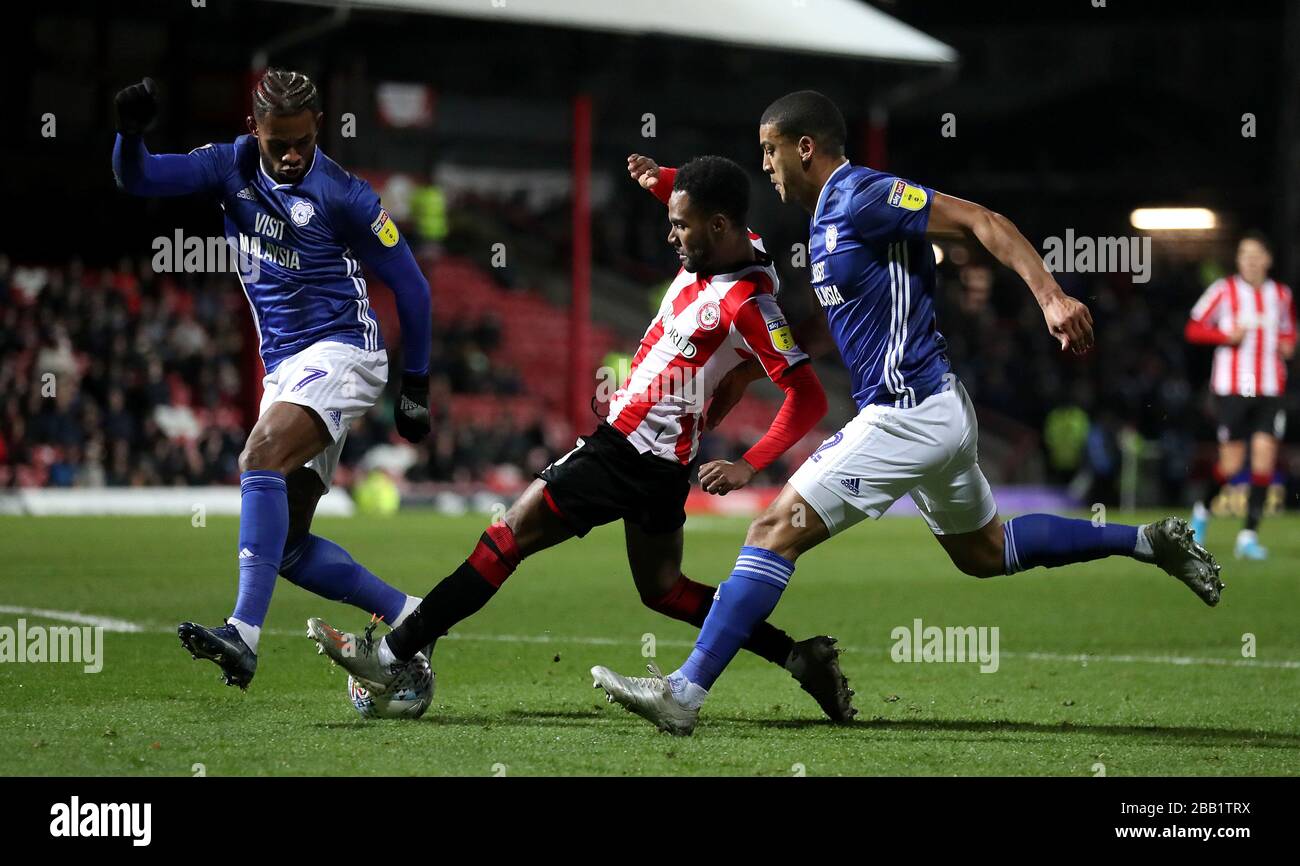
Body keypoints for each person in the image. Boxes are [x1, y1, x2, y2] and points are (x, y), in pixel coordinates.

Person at [589, 90, 1224, 735]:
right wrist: (668, 181)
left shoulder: (863, 195)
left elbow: (982, 221)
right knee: (983, 550)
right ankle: (1148, 541)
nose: (767, 166)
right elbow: (727, 233)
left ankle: (685, 693)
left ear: (803, 147)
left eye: (770, 152)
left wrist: (1051, 296)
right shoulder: (820, 216)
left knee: (772, 528)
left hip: (906, 412)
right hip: (935, 412)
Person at [307, 155, 859, 722]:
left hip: (627, 448)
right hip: (662, 465)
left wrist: (751, 462)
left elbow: (809, 397)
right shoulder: (740, 245)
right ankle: (797, 656)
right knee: (664, 590)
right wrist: (661, 180)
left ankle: (394, 652)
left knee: (506, 536)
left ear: (718, 227)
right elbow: (704, 203)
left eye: (680, 225)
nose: (671, 235)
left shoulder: (747, 303)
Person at [112, 71, 433, 689]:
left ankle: (243, 634)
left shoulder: (346, 195)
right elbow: (139, 176)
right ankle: (409, 614)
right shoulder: (227, 167)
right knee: (286, 546)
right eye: (277, 142)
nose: (291, 155)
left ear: (318, 129)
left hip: (345, 351)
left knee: (258, 453)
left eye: (303, 142)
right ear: (253, 129)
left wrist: (415, 386)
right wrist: (129, 134)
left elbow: (412, 287)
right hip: (288, 369)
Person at [1185, 233, 1295, 559]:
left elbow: (1289, 330)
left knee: (1265, 458)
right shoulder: (1224, 290)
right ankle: (1202, 511)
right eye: (1244, 254)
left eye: (1256, 254)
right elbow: (1193, 328)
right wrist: (1224, 335)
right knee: (1231, 465)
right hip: (1233, 389)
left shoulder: (1281, 294)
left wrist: (1289, 343)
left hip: (1271, 388)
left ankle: (1247, 537)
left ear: (1267, 259)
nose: (1250, 260)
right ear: (1238, 260)